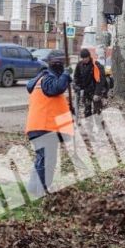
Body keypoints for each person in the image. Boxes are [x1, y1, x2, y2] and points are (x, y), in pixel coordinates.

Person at [25, 58, 74, 197]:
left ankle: (34, 188)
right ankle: (42, 192)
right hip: (43, 127)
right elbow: (57, 88)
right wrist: (66, 74)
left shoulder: (42, 81)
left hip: (42, 127)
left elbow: (55, 104)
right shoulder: (47, 80)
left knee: (44, 158)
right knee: (46, 159)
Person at [72, 49, 108, 119]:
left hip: (96, 90)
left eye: (85, 58)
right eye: (82, 58)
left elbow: (100, 81)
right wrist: (76, 85)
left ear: (89, 56)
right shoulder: (80, 65)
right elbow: (76, 77)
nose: (84, 59)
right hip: (86, 91)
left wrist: (97, 93)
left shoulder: (96, 65)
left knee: (97, 111)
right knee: (87, 111)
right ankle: (89, 127)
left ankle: (99, 127)